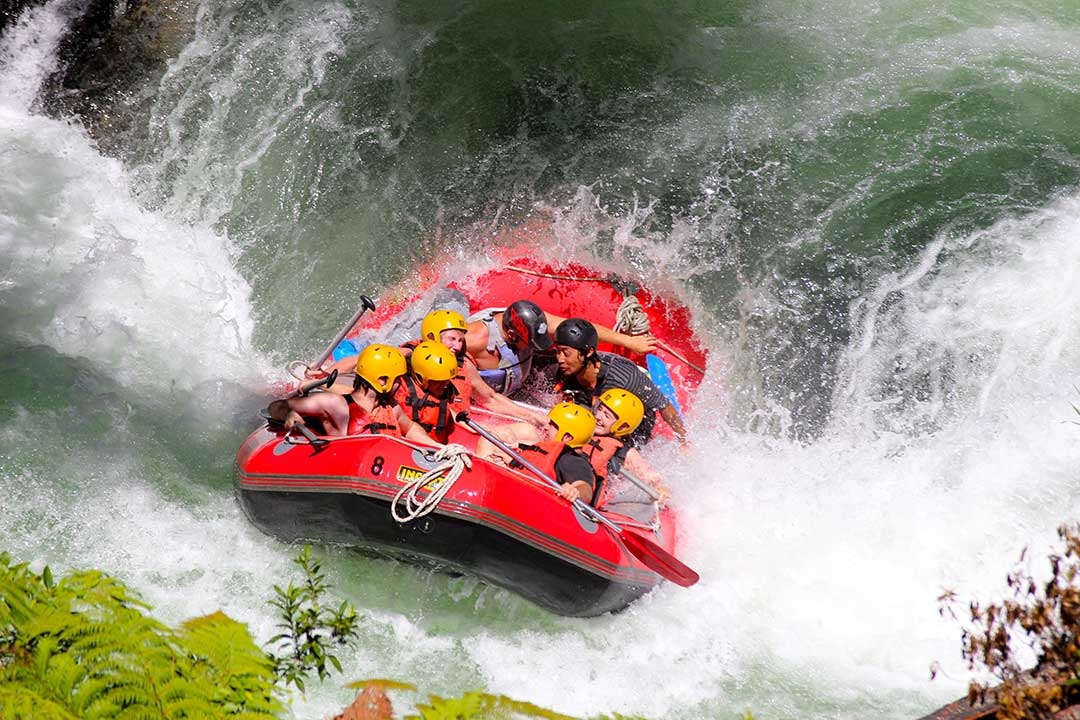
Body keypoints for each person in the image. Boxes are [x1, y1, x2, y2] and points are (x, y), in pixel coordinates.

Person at [467, 300, 659, 396]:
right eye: (531, 343)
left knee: (576, 357)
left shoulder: (532, 321)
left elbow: (579, 328)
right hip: (495, 393)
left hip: (525, 374)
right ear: (511, 335)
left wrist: (629, 342)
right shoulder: (473, 340)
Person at [553, 318, 689, 447]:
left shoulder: (625, 379)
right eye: (558, 352)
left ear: (588, 353)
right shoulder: (564, 368)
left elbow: (663, 405)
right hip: (595, 411)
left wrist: (683, 441)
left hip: (631, 428)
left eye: (566, 353)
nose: (560, 359)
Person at [267, 344, 437, 443]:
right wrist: (289, 414)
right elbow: (276, 406)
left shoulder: (392, 408)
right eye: (398, 379)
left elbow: (411, 428)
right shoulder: (336, 405)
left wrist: (438, 448)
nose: (401, 385)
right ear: (383, 380)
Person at [475, 402, 598, 504]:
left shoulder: (572, 460)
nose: (546, 427)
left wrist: (574, 491)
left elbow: (585, 488)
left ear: (567, 437)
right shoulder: (546, 448)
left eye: (552, 425)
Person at [583, 389, 671, 507]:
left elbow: (652, 479)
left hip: (586, 500)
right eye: (599, 409)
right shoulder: (582, 424)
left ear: (623, 426)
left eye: (606, 415)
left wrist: (661, 491)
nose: (598, 417)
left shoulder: (624, 453)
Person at [393, 340, 461, 443]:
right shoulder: (399, 388)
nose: (445, 385)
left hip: (436, 450)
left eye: (447, 380)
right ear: (420, 378)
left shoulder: (445, 390)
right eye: (439, 381)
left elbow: (452, 414)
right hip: (408, 448)